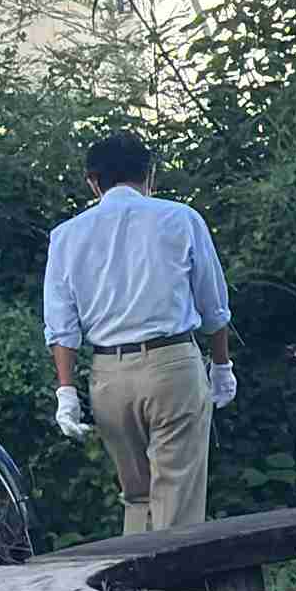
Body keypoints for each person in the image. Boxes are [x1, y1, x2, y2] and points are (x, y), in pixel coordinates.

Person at [41, 131, 238, 533]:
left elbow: (61, 326)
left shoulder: (66, 236)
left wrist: (66, 392)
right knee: (177, 496)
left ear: (92, 181)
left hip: (108, 376)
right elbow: (213, 307)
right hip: (172, 366)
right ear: (149, 175)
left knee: (137, 496)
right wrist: (221, 366)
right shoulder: (181, 219)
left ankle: (138, 590)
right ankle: (176, 590)